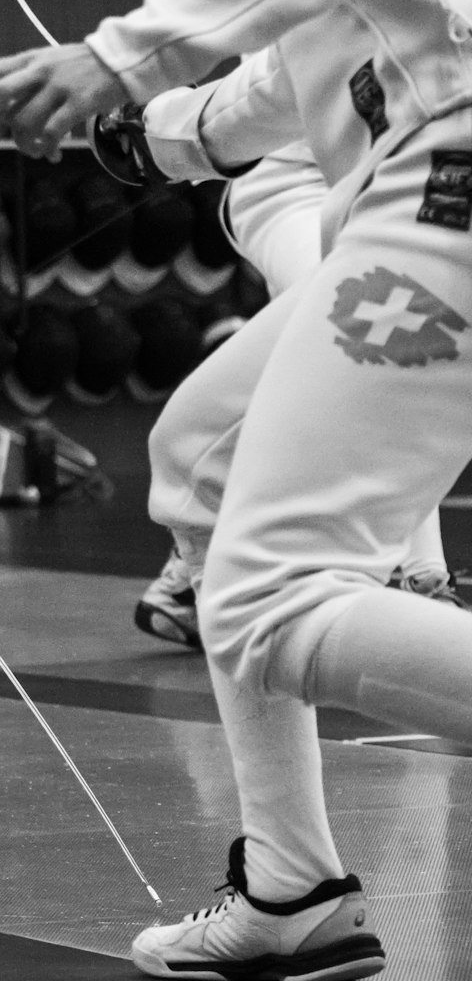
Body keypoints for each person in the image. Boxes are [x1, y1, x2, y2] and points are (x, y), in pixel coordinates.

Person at [0, 0, 472, 981]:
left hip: (451, 196)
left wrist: (116, 50)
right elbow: (332, 41)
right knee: (217, 486)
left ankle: (296, 883)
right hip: (425, 192)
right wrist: (153, 129)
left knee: (260, 592)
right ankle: (292, 883)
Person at [136, 138, 467, 650]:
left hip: (413, 199)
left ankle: (189, 572)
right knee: (390, 334)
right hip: (298, 183)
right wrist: (164, 129)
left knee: (330, 378)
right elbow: (256, 98)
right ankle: (420, 581)